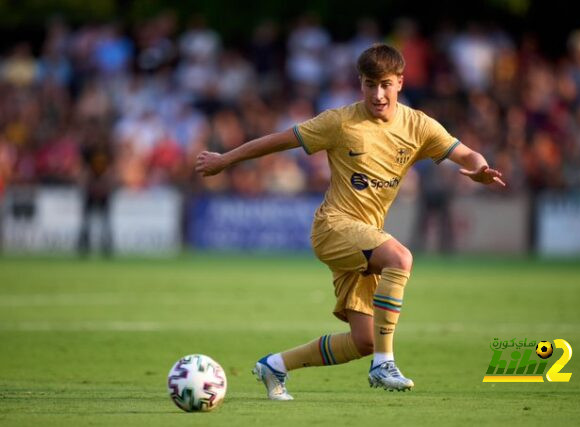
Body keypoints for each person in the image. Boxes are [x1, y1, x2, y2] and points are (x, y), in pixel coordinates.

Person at [195, 44, 505, 400]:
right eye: (370, 84)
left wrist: (479, 169)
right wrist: (225, 159)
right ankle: (384, 364)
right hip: (334, 226)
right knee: (400, 258)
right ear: (360, 83)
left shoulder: (418, 125)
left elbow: (465, 153)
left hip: (365, 238)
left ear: (400, 82)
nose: (378, 94)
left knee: (364, 340)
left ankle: (275, 365)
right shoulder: (339, 122)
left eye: (386, 84)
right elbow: (279, 141)